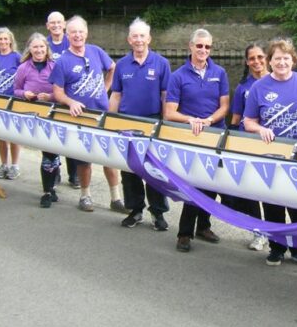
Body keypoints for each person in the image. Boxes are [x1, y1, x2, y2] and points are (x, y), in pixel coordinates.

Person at [244, 38, 297, 268]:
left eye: (286, 58)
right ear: (270, 61)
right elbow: (248, 121)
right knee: (273, 203)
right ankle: (277, 248)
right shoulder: (259, 87)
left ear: (293, 60)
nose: (282, 62)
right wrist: (261, 129)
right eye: (277, 58)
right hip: (271, 155)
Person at [49, 15, 126, 213]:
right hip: (80, 118)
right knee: (84, 160)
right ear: (67, 34)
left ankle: (116, 198)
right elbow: (57, 91)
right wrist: (70, 101)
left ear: (86, 33)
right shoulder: (62, 61)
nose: (77, 35)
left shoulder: (96, 51)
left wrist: (106, 88)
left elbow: (113, 68)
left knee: (109, 157)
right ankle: (85, 195)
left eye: (81, 32)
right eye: (73, 32)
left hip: (102, 114)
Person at [165, 28, 230, 253]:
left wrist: (210, 120)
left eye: (207, 46)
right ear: (190, 46)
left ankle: (203, 226)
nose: (203, 50)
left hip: (214, 135)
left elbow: (224, 106)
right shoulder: (178, 76)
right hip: (190, 138)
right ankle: (184, 233)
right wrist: (191, 119)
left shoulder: (220, 72)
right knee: (193, 185)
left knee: (210, 184)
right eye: (199, 45)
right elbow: (170, 113)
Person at [108, 18, 171, 231]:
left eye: (142, 35)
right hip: (127, 123)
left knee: (154, 170)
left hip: (153, 122)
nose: (138, 40)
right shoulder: (122, 64)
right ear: (129, 39)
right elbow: (116, 95)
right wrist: (108, 120)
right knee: (130, 170)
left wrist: (166, 124)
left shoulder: (162, 63)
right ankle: (135, 211)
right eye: (134, 36)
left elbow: (165, 96)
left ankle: (158, 213)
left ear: (149, 38)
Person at [228, 43, 269, 251]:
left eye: (260, 57)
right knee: (253, 191)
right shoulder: (243, 87)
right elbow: (236, 119)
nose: (257, 62)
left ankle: (291, 234)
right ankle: (259, 232)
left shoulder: (278, 80)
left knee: (278, 193)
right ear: (247, 62)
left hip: (274, 146)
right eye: (252, 58)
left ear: (267, 58)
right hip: (248, 145)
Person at [14, 33, 60, 208]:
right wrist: (24, 94)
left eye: (42, 47)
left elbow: (62, 90)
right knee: (48, 152)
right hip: (33, 114)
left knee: (52, 151)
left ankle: (51, 188)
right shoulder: (24, 68)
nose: (39, 50)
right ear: (30, 49)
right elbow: (16, 90)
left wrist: (49, 96)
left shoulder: (55, 66)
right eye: (35, 47)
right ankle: (48, 190)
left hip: (53, 113)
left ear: (46, 49)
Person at [45, 11, 79, 189]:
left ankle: (74, 175)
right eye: (52, 23)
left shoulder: (71, 40)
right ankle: (54, 173)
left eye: (59, 22)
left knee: (71, 137)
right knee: (53, 138)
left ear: (64, 24)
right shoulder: (44, 44)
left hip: (69, 97)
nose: (56, 25)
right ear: (47, 26)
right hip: (50, 96)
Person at [0, 27, 22, 180]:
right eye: (0, 39)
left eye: (5, 39)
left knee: (14, 134)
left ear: (10, 40)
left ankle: (15, 165)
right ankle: (4, 164)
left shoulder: (17, 57)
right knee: (1, 135)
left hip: (13, 100)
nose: (3, 41)